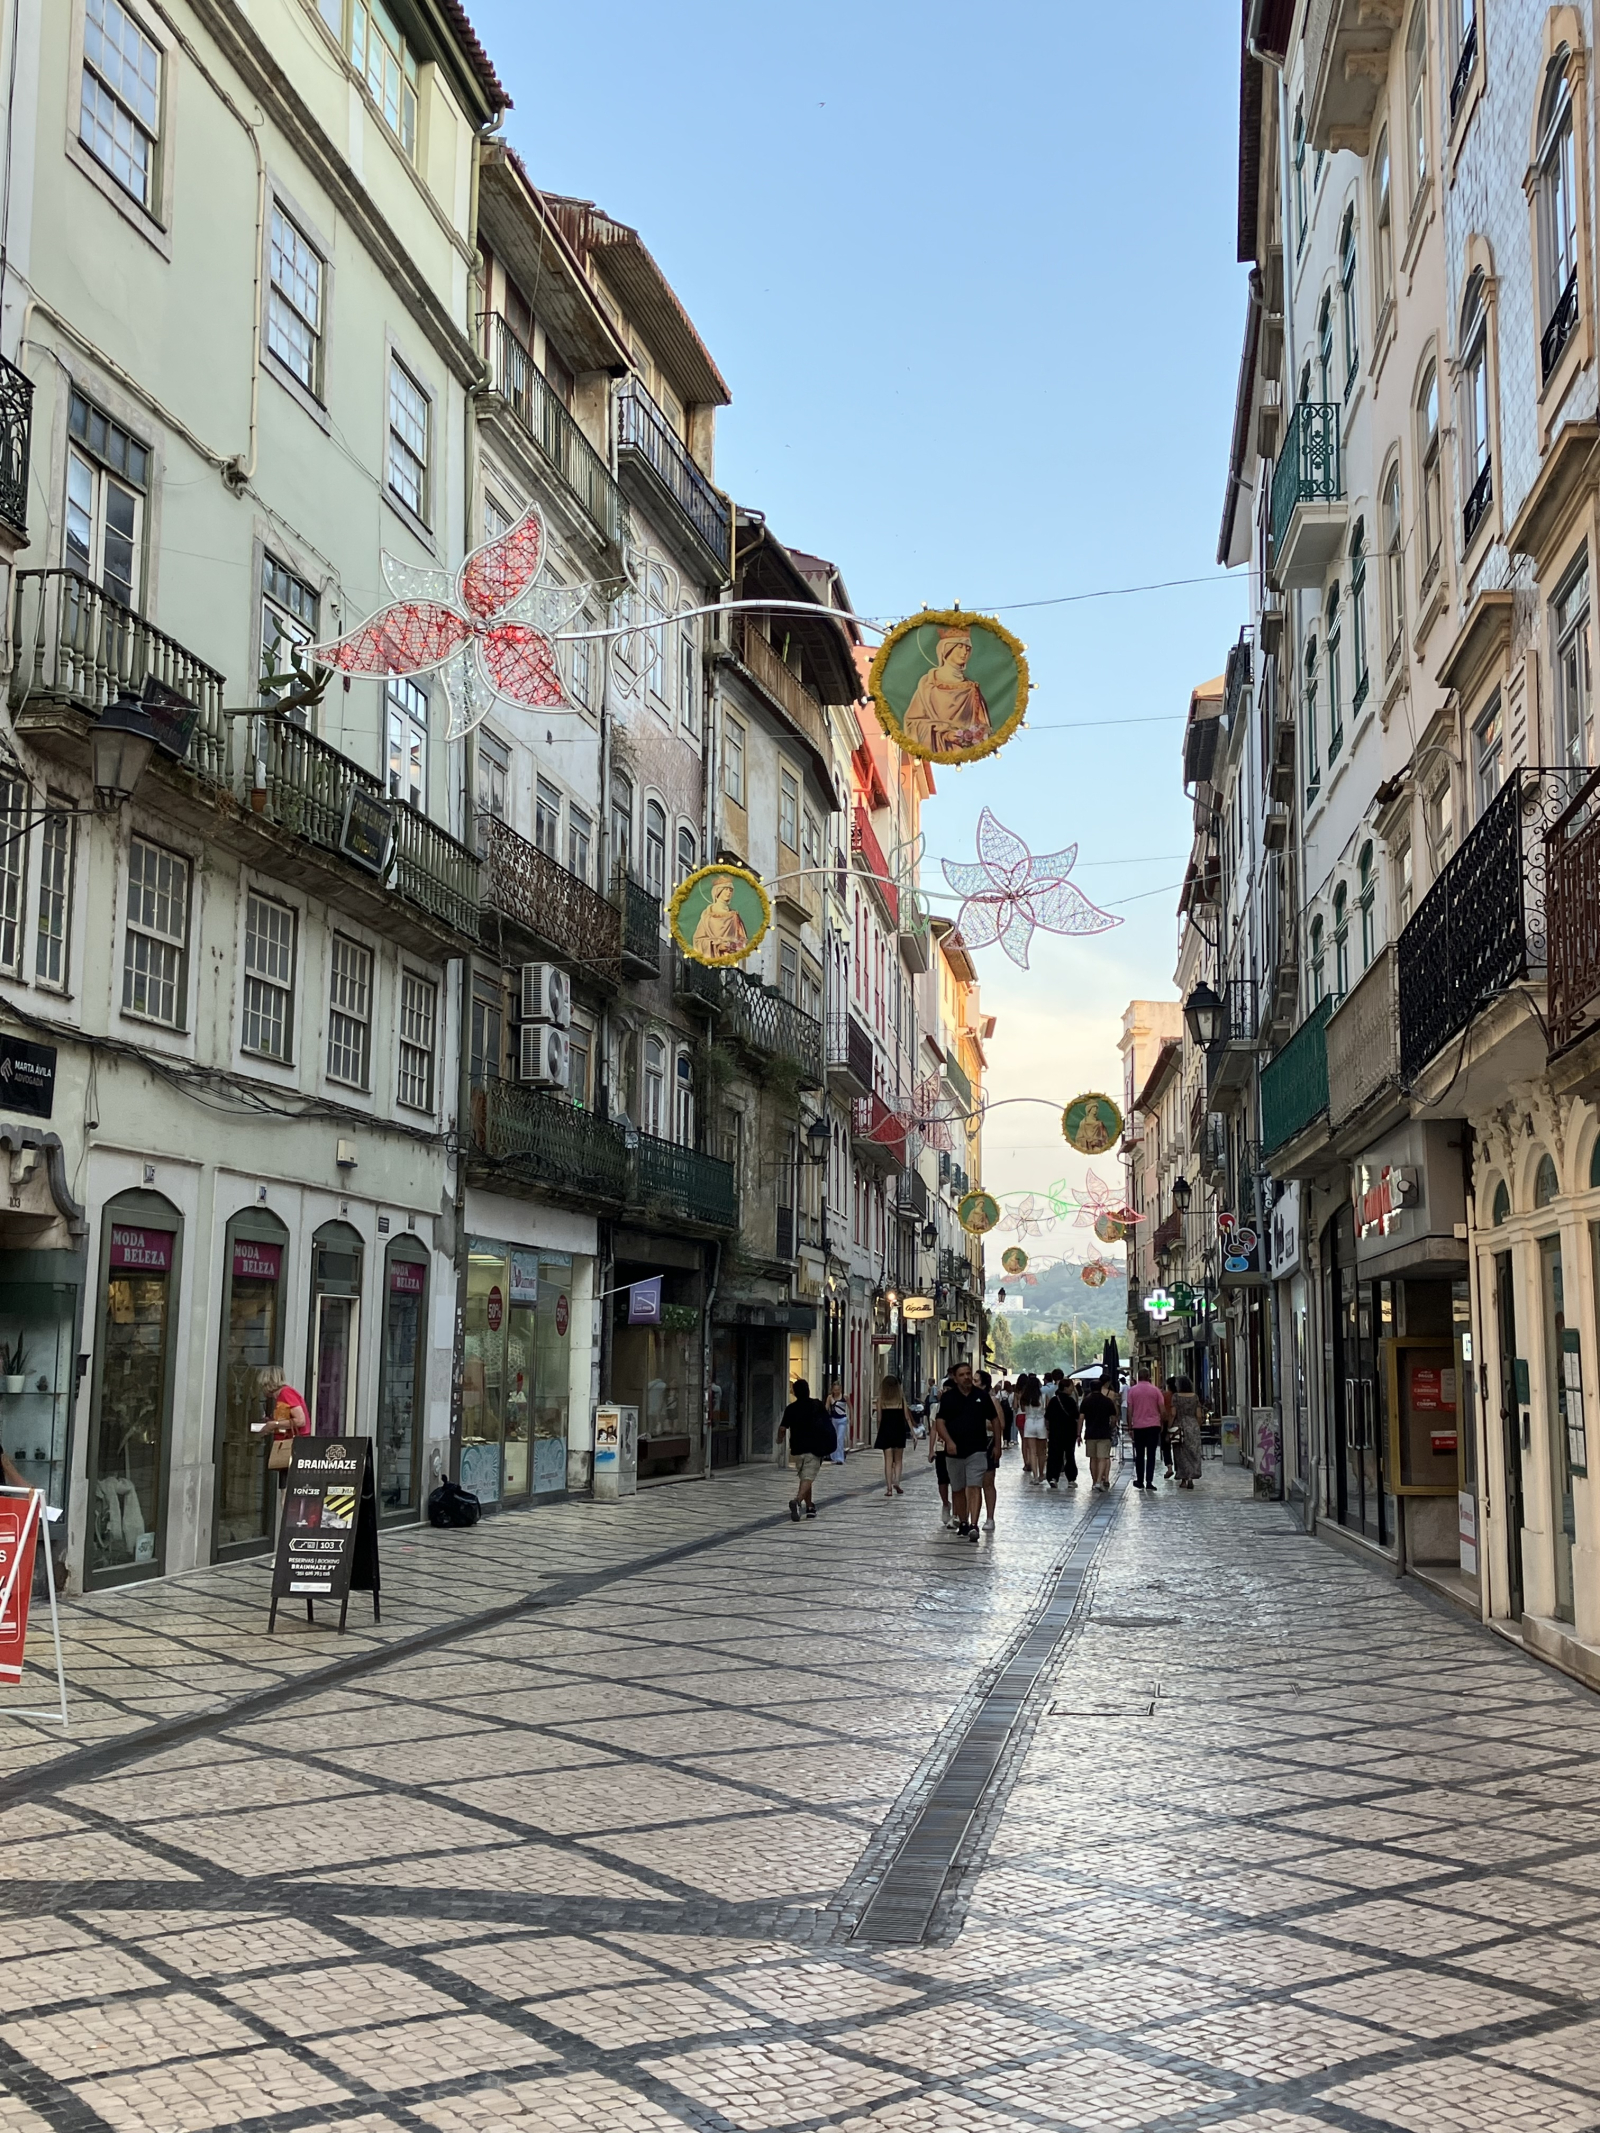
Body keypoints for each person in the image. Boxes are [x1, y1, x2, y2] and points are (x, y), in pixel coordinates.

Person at [933, 1361, 1000, 1542]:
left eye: (969, 1374)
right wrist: (948, 1441)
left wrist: (997, 1445)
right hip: (954, 1451)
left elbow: (995, 1420)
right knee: (958, 1488)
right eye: (962, 1375)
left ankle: (974, 1524)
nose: (967, 1377)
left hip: (977, 1449)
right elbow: (939, 1422)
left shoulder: (982, 1396)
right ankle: (963, 1521)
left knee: (974, 1485)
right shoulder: (948, 1398)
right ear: (955, 1378)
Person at [901, 628, 992, 754]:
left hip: (960, 751)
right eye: (959, 646)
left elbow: (984, 729)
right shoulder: (928, 683)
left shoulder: (971, 689)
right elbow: (912, 722)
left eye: (967, 648)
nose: (964, 652)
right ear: (946, 649)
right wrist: (945, 733)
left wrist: (968, 737)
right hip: (936, 746)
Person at [778, 1378, 834, 1520]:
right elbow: (827, 1424)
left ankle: (809, 1507)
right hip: (814, 1449)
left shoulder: (791, 1408)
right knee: (808, 1478)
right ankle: (797, 1501)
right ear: (808, 1390)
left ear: (795, 1393)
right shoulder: (816, 1405)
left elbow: (783, 1428)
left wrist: (779, 1439)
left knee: (805, 1478)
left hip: (798, 1449)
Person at [1126, 1364, 1171, 1490]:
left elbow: (1130, 1410)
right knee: (1151, 1454)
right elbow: (1162, 1410)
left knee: (1139, 1454)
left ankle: (1140, 1480)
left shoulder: (1132, 1391)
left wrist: (1130, 1426)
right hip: (1153, 1426)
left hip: (1138, 1426)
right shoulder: (1155, 1391)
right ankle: (1149, 1481)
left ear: (1138, 1377)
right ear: (1149, 1377)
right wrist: (1162, 1423)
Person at [691, 876, 749, 959]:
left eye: (731, 890)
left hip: (729, 960)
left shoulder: (734, 916)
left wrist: (731, 946)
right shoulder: (707, 916)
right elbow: (698, 940)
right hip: (712, 958)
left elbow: (742, 942)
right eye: (726, 889)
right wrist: (717, 946)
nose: (729, 892)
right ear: (717, 891)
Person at [875, 1375, 913, 1496]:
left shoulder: (881, 1400)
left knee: (888, 1460)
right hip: (898, 1430)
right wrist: (913, 1432)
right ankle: (897, 1481)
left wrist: (879, 1431)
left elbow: (879, 1419)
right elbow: (907, 1417)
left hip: (886, 1431)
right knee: (898, 1460)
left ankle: (889, 1488)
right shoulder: (901, 1400)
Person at [1080, 1373, 1118, 1491]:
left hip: (1090, 1433)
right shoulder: (1107, 1401)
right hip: (1104, 1433)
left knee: (1093, 1458)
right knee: (1103, 1457)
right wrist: (1112, 1427)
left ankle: (1094, 1480)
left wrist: (1078, 1433)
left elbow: (1081, 1418)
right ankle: (1098, 1481)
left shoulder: (1086, 1401)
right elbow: (1113, 1418)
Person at [1045, 1372, 1080, 1488]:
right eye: (1071, 1387)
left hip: (1055, 1432)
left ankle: (1052, 1477)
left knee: (1054, 1455)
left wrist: (1048, 1430)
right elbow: (1076, 1416)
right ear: (1065, 1388)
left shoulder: (1054, 1401)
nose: (1072, 1389)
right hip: (1069, 1432)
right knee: (1069, 1455)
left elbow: (1047, 1417)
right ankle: (1071, 1479)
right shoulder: (1071, 1401)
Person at [978, 1371, 1003, 1529]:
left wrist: (981, 1423)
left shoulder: (992, 1400)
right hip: (971, 1443)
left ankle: (990, 1517)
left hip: (987, 1442)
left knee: (987, 1482)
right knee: (971, 1484)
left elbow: (1001, 1424)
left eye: (975, 1380)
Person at [1172, 1374, 1206, 1488]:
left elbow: (1173, 1413)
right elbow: (1199, 1415)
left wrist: (1169, 1426)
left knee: (1181, 1453)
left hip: (1180, 1425)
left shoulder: (1176, 1397)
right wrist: (1197, 1425)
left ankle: (1183, 1479)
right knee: (1193, 1452)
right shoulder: (1195, 1397)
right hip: (1193, 1426)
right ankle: (1192, 1476)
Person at [1014, 1372, 1047, 1480]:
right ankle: (1042, 1473)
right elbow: (1047, 1410)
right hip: (1041, 1422)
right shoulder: (1043, 1396)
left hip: (1029, 1422)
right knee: (1041, 1452)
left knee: (1032, 1451)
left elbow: (1023, 1410)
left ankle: (1035, 1476)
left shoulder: (1025, 1397)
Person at [826, 1378, 850, 1464]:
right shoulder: (830, 1397)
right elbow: (826, 1408)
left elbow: (850, 1407)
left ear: (841, 1389)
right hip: (833, 1420)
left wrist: (851, 1419)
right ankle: (834, 1456)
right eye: (835, 1390)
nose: (836, 1391)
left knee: (840, 1438)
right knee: (834, 1438)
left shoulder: (845, 1397)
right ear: (832, 1389)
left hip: (842, 1419)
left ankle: (840, 1458)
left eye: (838, 1389)